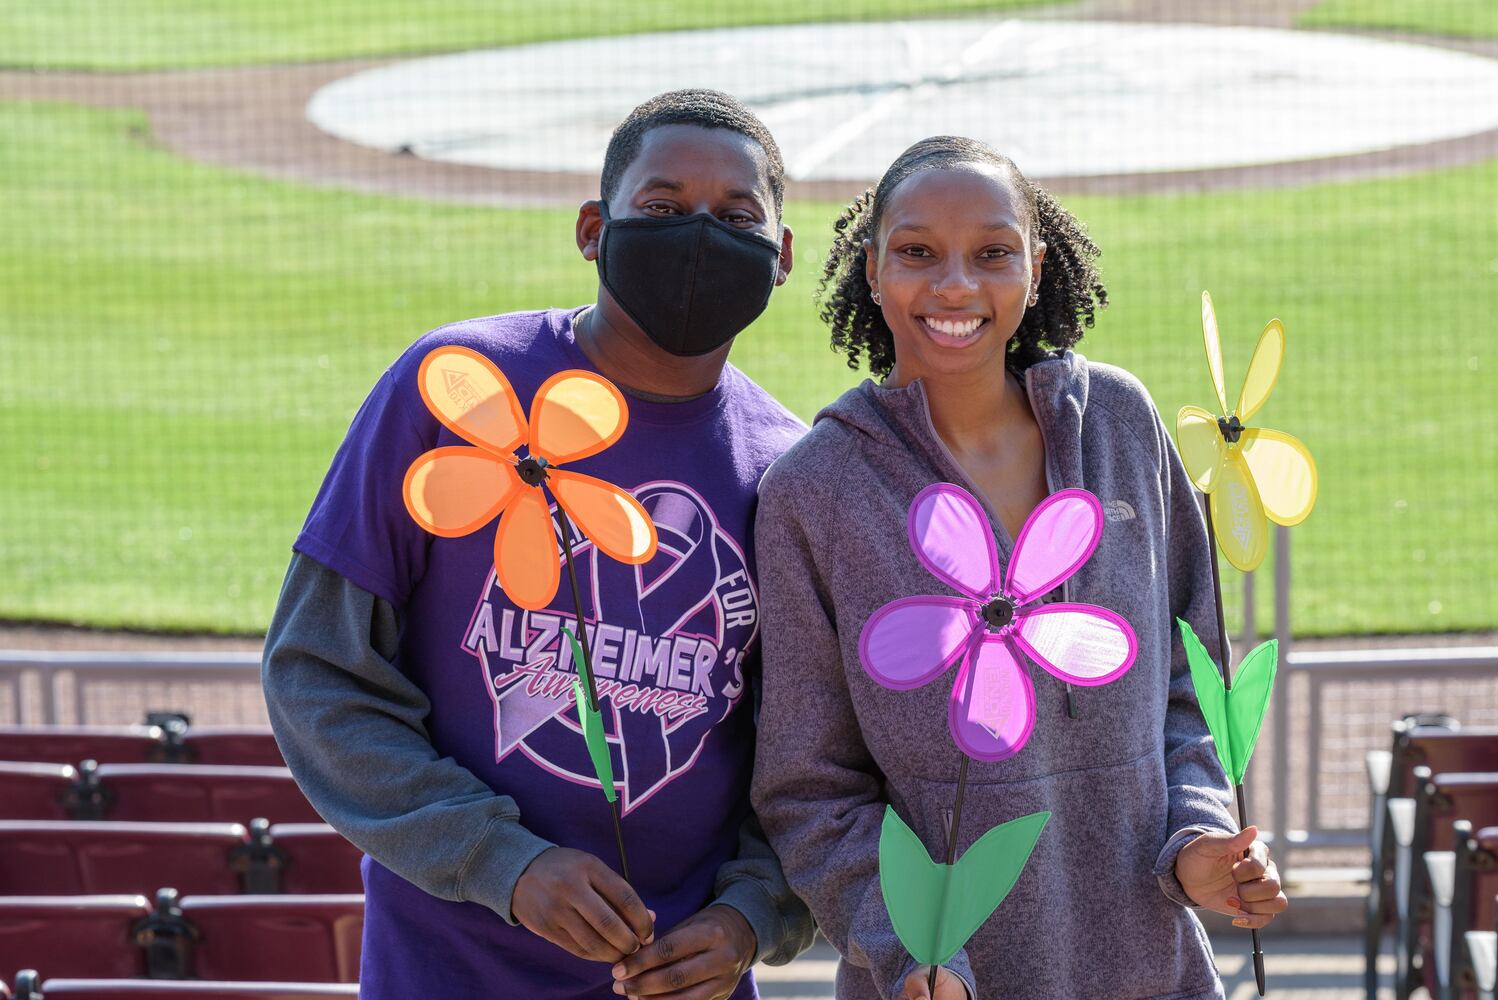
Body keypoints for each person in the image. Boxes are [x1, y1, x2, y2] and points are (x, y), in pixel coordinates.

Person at [262, 89, 815, 1000]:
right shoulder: (455, 391)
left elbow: (812, 759)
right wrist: (501, 863)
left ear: (782, 255)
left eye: (737, 216)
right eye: (663, 209)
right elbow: (317, 673)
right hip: (444, 973)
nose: (699, 237)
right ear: (594, 228)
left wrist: (752, 915)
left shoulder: (790, 472)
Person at [749, 136, 1288, 1000]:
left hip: (1159, 972)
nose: (957, 285)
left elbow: (1193, 680)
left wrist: (1196, 841)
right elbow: (808, 789)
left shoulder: (1119, 421)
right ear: (872, 268)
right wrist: (907, 948)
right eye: (918, 252)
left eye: (993, 253)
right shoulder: (814, 490)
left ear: (1035, 267)